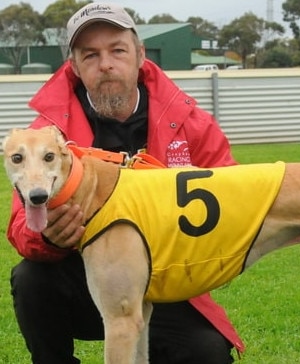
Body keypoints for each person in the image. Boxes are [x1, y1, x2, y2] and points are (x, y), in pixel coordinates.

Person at [7, 3, 245, 364]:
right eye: (90, 55)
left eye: (117, 50)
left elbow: (233, 196)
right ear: (74, 66)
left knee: (208, 354)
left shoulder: (190, 122)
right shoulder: (46, 136)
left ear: (139, 55)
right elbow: (20, 225)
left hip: (166, 282)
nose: (105, 64)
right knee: (31, 280)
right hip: (88, 282)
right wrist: (48, 237)